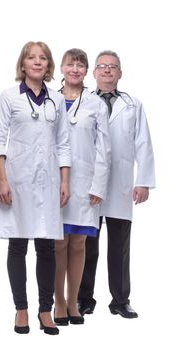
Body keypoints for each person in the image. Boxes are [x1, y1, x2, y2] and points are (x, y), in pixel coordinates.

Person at [0, 41, 71, 335]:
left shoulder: (57, 100)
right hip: (18, 181)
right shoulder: (9, 97)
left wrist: (64, 181)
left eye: (43, 58)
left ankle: (45, 311)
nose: (38, 62)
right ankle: (21, 309)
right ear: (22, 64)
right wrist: (2, 180)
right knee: (18, 243)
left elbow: (63, 143)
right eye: (31, 58)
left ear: (49, 66)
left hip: (48, 182)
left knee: (46, 246)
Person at [78, 50, 156, 318]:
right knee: (86, 245)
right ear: (94, 73)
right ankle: (83, 298)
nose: (107, 70)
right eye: (102, 66)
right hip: (88, 186)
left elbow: (143, 143)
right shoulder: (81, 101)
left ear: (120, 73)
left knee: (120, 246)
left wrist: (143, 181)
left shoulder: (133, 104)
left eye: (113, 67)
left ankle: (120, 300)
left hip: (121, 185)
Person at [54, 49, 111, 326]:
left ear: (86, 70)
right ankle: (59, 303)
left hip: (86, 183)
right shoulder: (49, 100)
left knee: (78, 243)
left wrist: (99, 185)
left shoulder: (95, 103)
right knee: (57, 244)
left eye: (80, 65)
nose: (75, 69)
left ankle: (74, 301)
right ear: (62, 68)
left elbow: (105, 149)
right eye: (70, 64)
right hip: (54, 183)